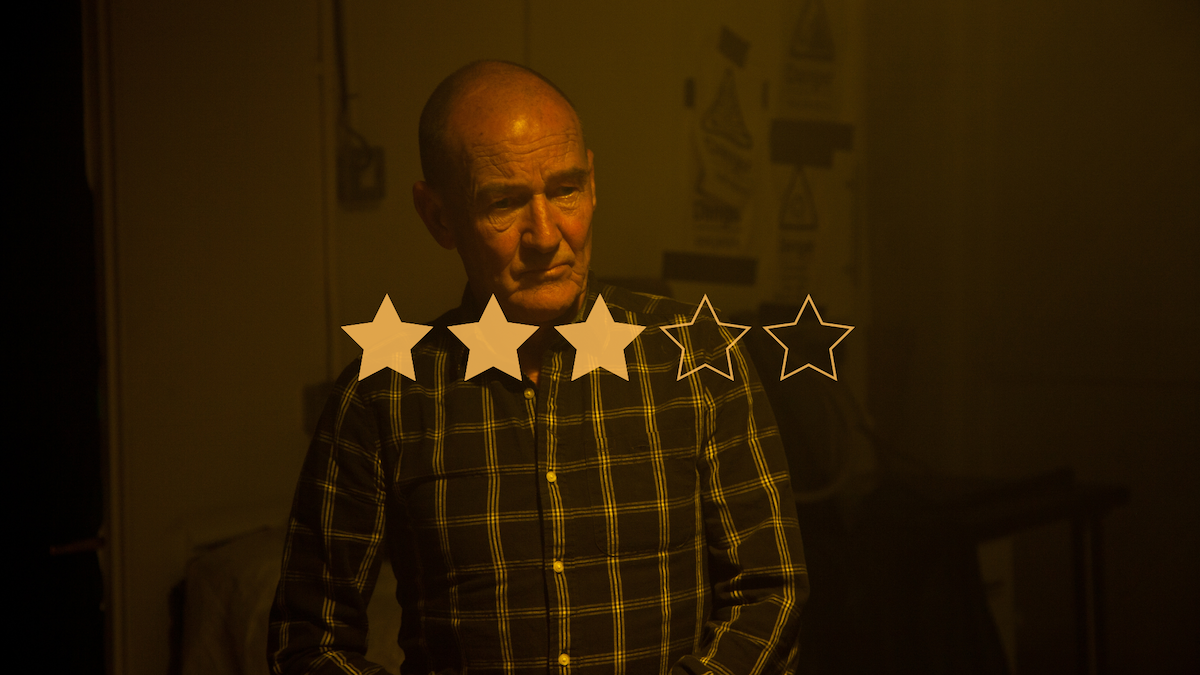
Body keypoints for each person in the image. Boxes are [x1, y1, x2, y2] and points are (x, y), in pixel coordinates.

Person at [268, 60, 807, 674]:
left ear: (594, 184)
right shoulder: (383, 396)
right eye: (504, 203)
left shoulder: (697, 356)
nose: (546, 235)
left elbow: (771, 595)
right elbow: (307, 643)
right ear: (438, 216)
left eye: (566, 190)